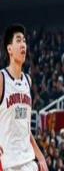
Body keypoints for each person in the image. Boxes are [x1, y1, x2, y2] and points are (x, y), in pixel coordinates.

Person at [0, 24, 48, 171]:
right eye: (18, 40)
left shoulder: (28, 80)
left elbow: (26, 127)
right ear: (9, 49)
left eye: (25, 41)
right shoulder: (2, 78)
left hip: (28, 161)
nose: (23, 45)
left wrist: (40, 156)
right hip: (8, 163)